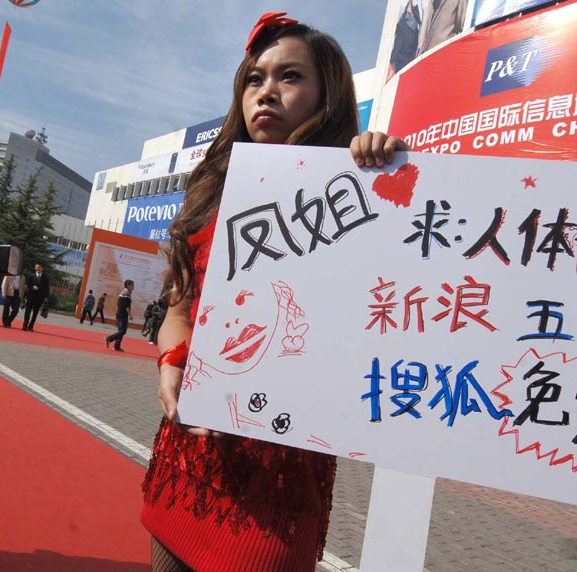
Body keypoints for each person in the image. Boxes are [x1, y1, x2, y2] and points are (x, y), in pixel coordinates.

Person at [141, 13, 409, 571]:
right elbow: (178, 310)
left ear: (328, 95)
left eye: (290, 76)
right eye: (254, 79)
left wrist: (388, 170)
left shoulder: (358, 192)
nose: (266, 92)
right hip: (190, 455)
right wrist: (172, 362)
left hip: (280, 477)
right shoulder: (209, 191)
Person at [105, 279, 134, 352]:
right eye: (132, 285)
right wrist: (130, 315)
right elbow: (126, 306)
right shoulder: (126, 294)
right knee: (123, 331)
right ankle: (109, 338)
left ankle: (117, 346)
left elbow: (119, 304)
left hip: (120, 313)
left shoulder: (123, 293)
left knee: (120, 330)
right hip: (123, 314)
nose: (133, 287)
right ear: (128, 285)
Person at [22, 263, 49, 332]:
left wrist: (46, 297)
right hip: (31, 296)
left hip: (39, 297)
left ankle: (31, 326)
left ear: (42, 268)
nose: (37, 268)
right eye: (36, 267)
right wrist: (32, 287)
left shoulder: (45, 277)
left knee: (35, 312)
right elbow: (28, 285)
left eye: (39, 267)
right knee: (27, 311)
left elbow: (46, 288)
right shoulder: (31, 276)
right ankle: (25, 325)